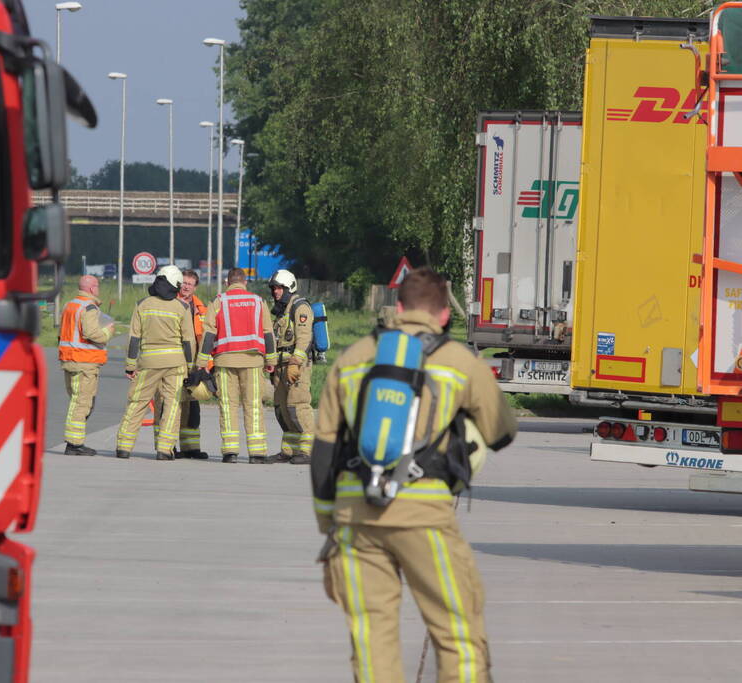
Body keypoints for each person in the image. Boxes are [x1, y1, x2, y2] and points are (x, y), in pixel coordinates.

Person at [310, 267, 517, 682]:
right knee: (457, 630)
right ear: (443, 316)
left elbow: (324, 451)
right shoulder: (458, 360)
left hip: (356, 514)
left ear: (397, 307)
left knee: (371, 634)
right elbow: (502, 432)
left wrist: (329, 522)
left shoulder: (352, 358)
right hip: (423, 512)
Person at [196, 268, 278, 464]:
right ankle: (257, 453)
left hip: (225, 361)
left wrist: (202, 363)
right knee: (254, 405)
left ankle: (230, 452)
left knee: (228, 406)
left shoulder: (219, 301)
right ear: (245, 282)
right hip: (253, 361)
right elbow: (268, 333)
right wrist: (271, 361)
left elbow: (208, 335)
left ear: (227, 282)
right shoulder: (258, 302)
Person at [115, 266, 195, 460]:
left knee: (137, 403)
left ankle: (124, 447)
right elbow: (188, 341)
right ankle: (164, 449)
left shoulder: (142, 304)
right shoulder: (182, 307)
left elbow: (134, 338)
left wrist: (130, 365)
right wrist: (190, 367)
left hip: (148, 363)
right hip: (175, 364)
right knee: (172, 405)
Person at [58, 275, 115, 456]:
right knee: (82, 403)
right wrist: (107, 331)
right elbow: (92, 333)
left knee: (76, 401)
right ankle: (74, 444)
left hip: (69, 360)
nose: (98, 290)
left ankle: (74, 441)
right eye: (97, 286)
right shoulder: (89, 307)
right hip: (84, 362)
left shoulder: (70, 305)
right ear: (91, 289)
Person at [268, 269, 315, 465]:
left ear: (289, 288)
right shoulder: (281, 311)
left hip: (296, 367)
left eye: (279, 288)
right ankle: (289, 450)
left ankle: (308, 450)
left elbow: (304, 338)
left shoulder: (300, 307)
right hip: (280, 366)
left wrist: (295, 363)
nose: (276, 292)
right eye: (274, 288)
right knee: (282, 409)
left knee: (298, 406)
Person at [175, 269, 209, 459]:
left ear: (195, 287)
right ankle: (168, 447)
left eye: (190, 284)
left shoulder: (201, 309)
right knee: (172, 406)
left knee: (193, 408)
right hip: (175, 361)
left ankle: (190, 448)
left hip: (194, 364)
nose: (186, 286)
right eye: (184, 283)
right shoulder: (171, 304)